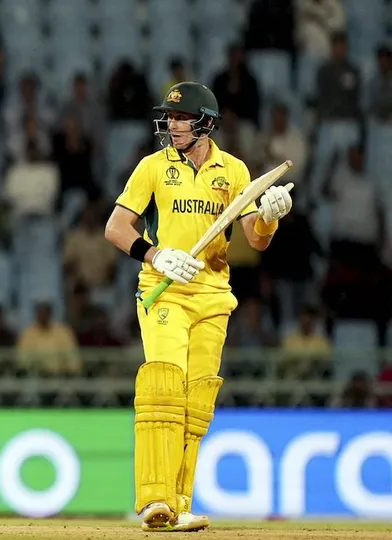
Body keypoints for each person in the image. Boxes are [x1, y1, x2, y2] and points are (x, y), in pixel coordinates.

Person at [103, 82, 293, 532]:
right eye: (168, 118)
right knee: (164, 387)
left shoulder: (235, 171)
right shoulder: (152, 167)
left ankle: (179, 502)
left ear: (205, 122)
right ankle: (153, 499)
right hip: (164, 287)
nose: (171, 125)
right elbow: (116, 227)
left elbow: (255, 240)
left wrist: (269, 216)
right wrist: (154, 254)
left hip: (212, 295)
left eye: (180, 118)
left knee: (197, 401)